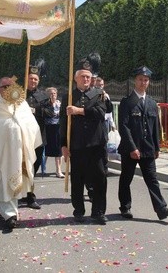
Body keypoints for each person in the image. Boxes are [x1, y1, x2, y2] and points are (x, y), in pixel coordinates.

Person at [117, 66, 168, 221]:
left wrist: (157, 147)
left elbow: (156, 127)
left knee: (152, 179)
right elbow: (123, 127)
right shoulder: (127, 102)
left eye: (146, 80)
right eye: (140, 79)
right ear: (135, 81)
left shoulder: (151, 103)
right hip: (131, 149)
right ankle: (125, 207)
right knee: (126, 179)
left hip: (148, 148)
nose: (143, 82)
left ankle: (161, 209)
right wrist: (132, 147)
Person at [0, 77, 42, 230]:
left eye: (10, 86)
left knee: (18, 179)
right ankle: (9, 214)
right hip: (1, 151)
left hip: (20, 149)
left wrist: (20, 127)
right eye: (4, 86)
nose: (8, 89)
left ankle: (13, 210)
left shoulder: (22, 104)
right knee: (3, 180)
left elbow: (31, 124)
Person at [60, 67, 108, 225]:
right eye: (82, 77)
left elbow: (100, 113)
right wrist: (64, 145)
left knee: (99, 177)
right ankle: (78, 210)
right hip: (77, 143)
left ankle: (98, 211)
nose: (86, 79)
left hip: (96, 143)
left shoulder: (98, 94)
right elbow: (62, 122)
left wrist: (79, 110)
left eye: (88, 77)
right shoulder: (68, 96)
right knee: (78, 178)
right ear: (76, 79)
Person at [21, 66, 48, 209]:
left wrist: (36, 110)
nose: (33, 81)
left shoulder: (44, 96)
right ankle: (27, 195)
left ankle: (29, 193)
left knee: (34, 166)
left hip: (38, 135)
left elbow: (50, 113)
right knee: (23, 166)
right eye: (30, 78)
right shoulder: (19, 94)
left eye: (35, 79)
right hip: (22, 136)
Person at [42, 87, 64, 178]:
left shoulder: (59, 103)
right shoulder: (44, 104)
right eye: (51, 93)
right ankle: (42, 167)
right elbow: (48, 114)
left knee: (58, 150)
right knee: (46, 149)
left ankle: (58, 170)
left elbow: (62, 114)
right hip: (48, 128)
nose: (53, 95)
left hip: (58, 128)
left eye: (54, 93)